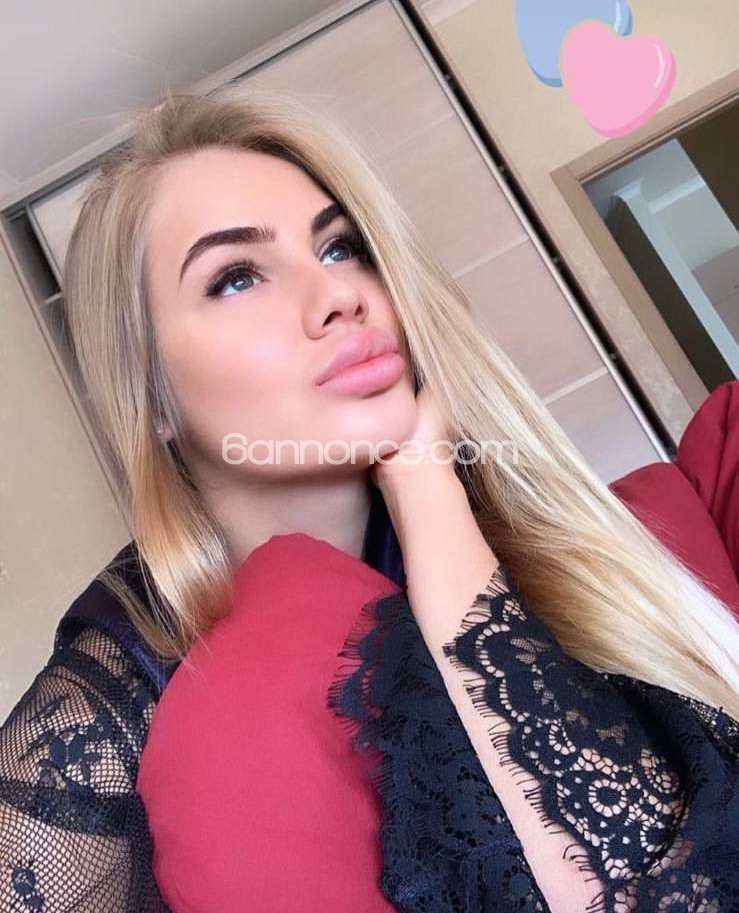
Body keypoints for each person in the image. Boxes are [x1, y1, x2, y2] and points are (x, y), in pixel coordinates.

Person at [0, 82, 737, 912]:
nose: (339, 296)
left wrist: (424, 481)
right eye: (236, 278)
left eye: (340, 247)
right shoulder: (110, 700)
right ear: (153, 399)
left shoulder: (532, 541)